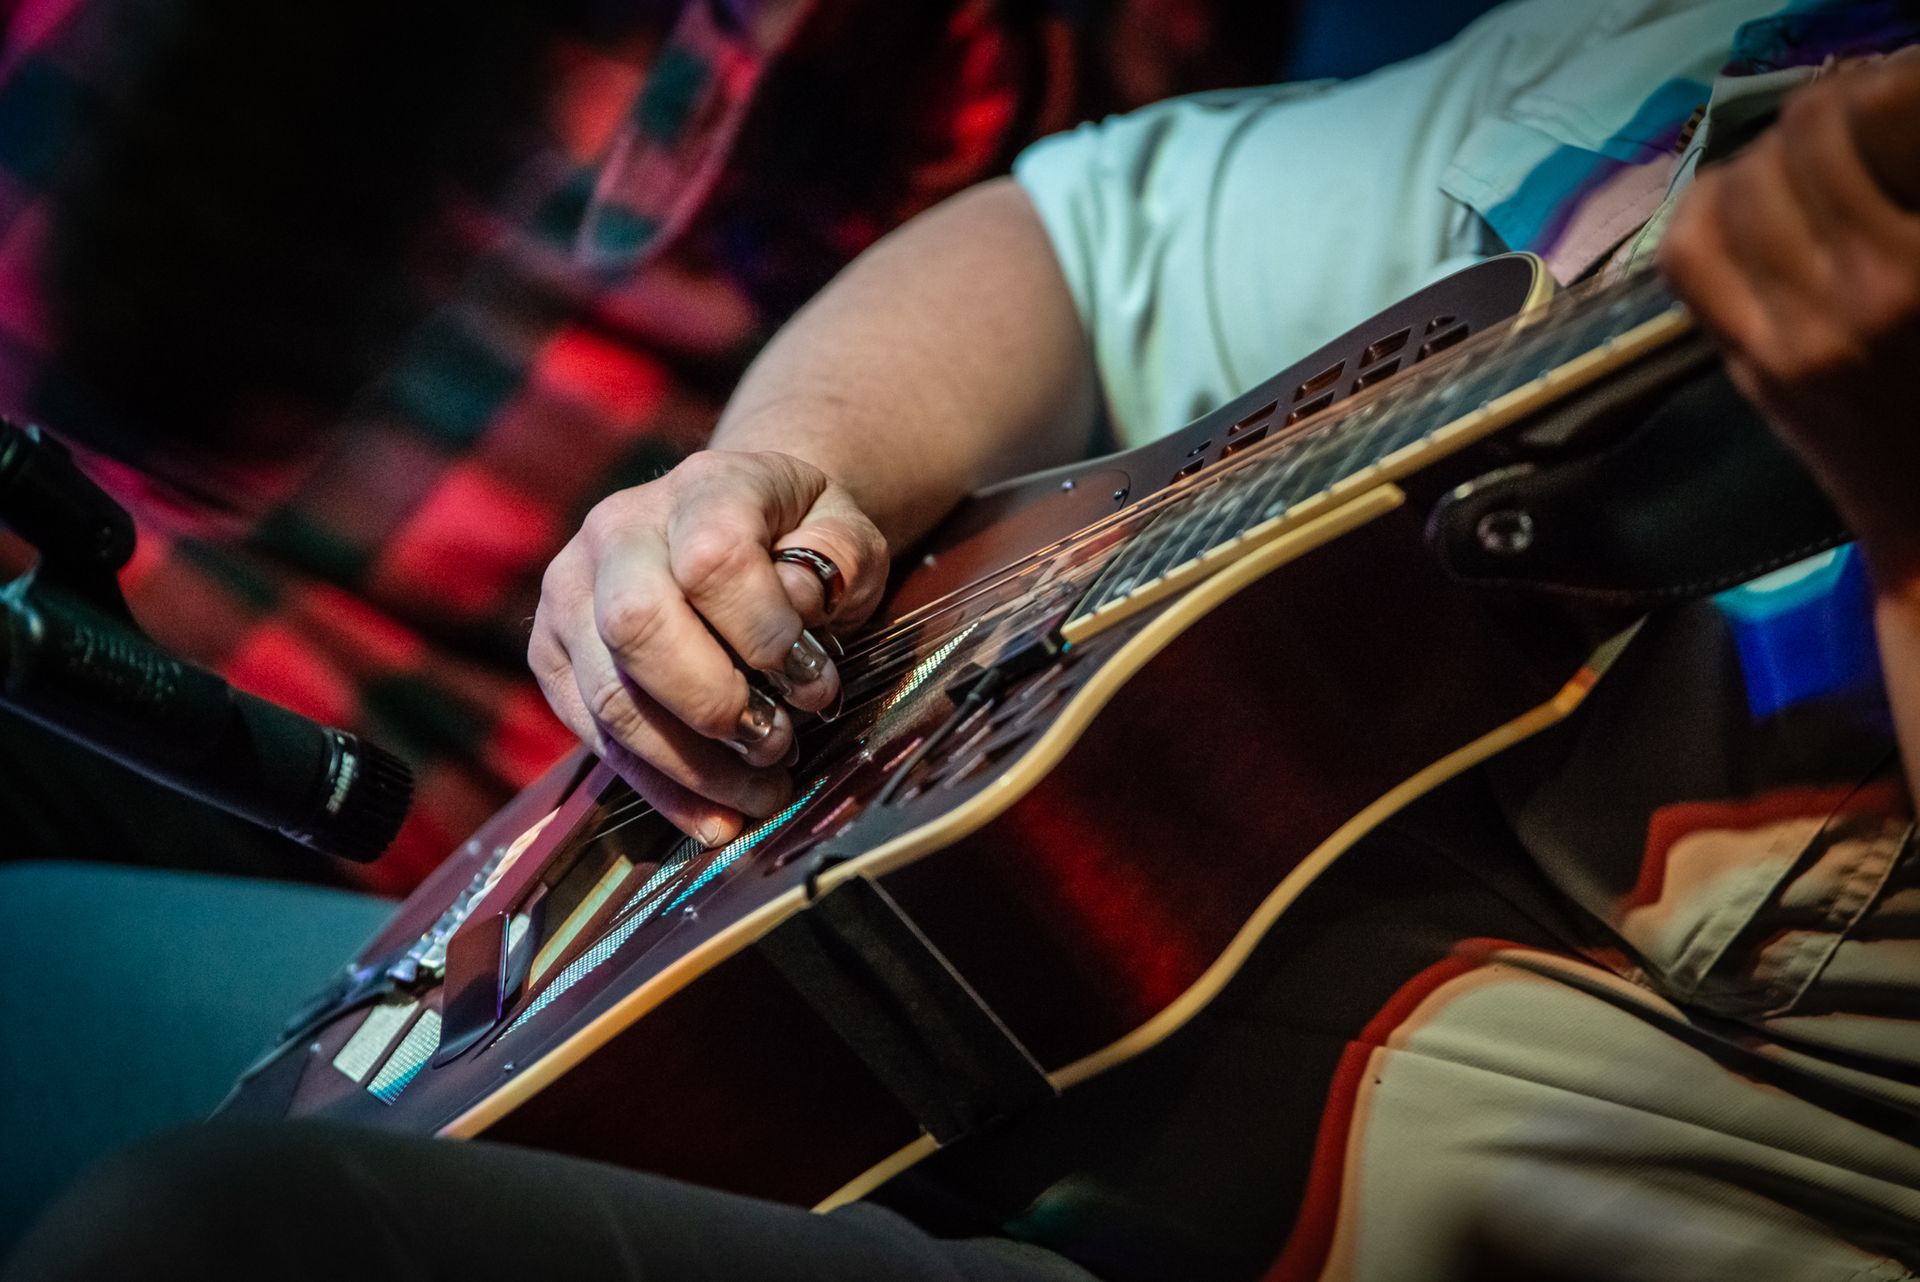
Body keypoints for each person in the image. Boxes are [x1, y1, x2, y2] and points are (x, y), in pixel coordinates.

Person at [5, 0, 1920, 1278]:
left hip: (1229, 1235)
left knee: (205, 1244)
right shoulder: (1741, 59)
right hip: (769, 964)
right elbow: (1091, 243)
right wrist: (765, 477)